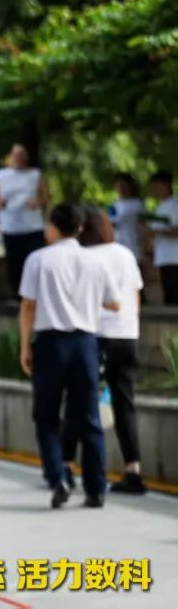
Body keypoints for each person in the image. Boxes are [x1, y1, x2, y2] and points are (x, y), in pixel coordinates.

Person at [19, 204, 119, 510]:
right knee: (88, 418)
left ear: (53, 226)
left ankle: (58, 476)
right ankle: (96, 489)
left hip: (51, 342)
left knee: (47, 415)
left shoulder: (38, 259)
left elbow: (29, 306)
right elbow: (114, 303)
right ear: (80, 228)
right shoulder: (95, 261)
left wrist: (25, 346)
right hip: (86, 342)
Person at [73, 208, 147, 495]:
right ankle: (133, 470)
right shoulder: (125, 254)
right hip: (127, 335)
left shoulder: (85, 257)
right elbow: (135, 297)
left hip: (97, 335)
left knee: (83, 402)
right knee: (125, 403)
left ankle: (76, 467)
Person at [0, 144, 50, 297]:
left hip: (32, 226)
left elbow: (46, 196)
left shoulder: (35, 174)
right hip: (10, 226)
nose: (19, 158)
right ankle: (16, 294)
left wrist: (38, 202)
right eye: (16, 155)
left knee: (35, 261)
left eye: (22, 155)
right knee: (14, 263)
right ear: (11, 156)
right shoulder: (1, 175)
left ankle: (36, 294)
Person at [148, 171, 178, 305]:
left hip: (175, 257)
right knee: (169, 296)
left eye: (158, 186)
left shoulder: (175, 205)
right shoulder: (159, 207)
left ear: (167, 186)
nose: (156, 190)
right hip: (164, 257)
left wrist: (159, 232)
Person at [111, 173, 146, 261]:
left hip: (133, 244)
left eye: (123, 186)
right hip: (118, 243)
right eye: (118, 186)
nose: (121, 189)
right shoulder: (114, 205)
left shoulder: (137, 204)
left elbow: (142, 225)